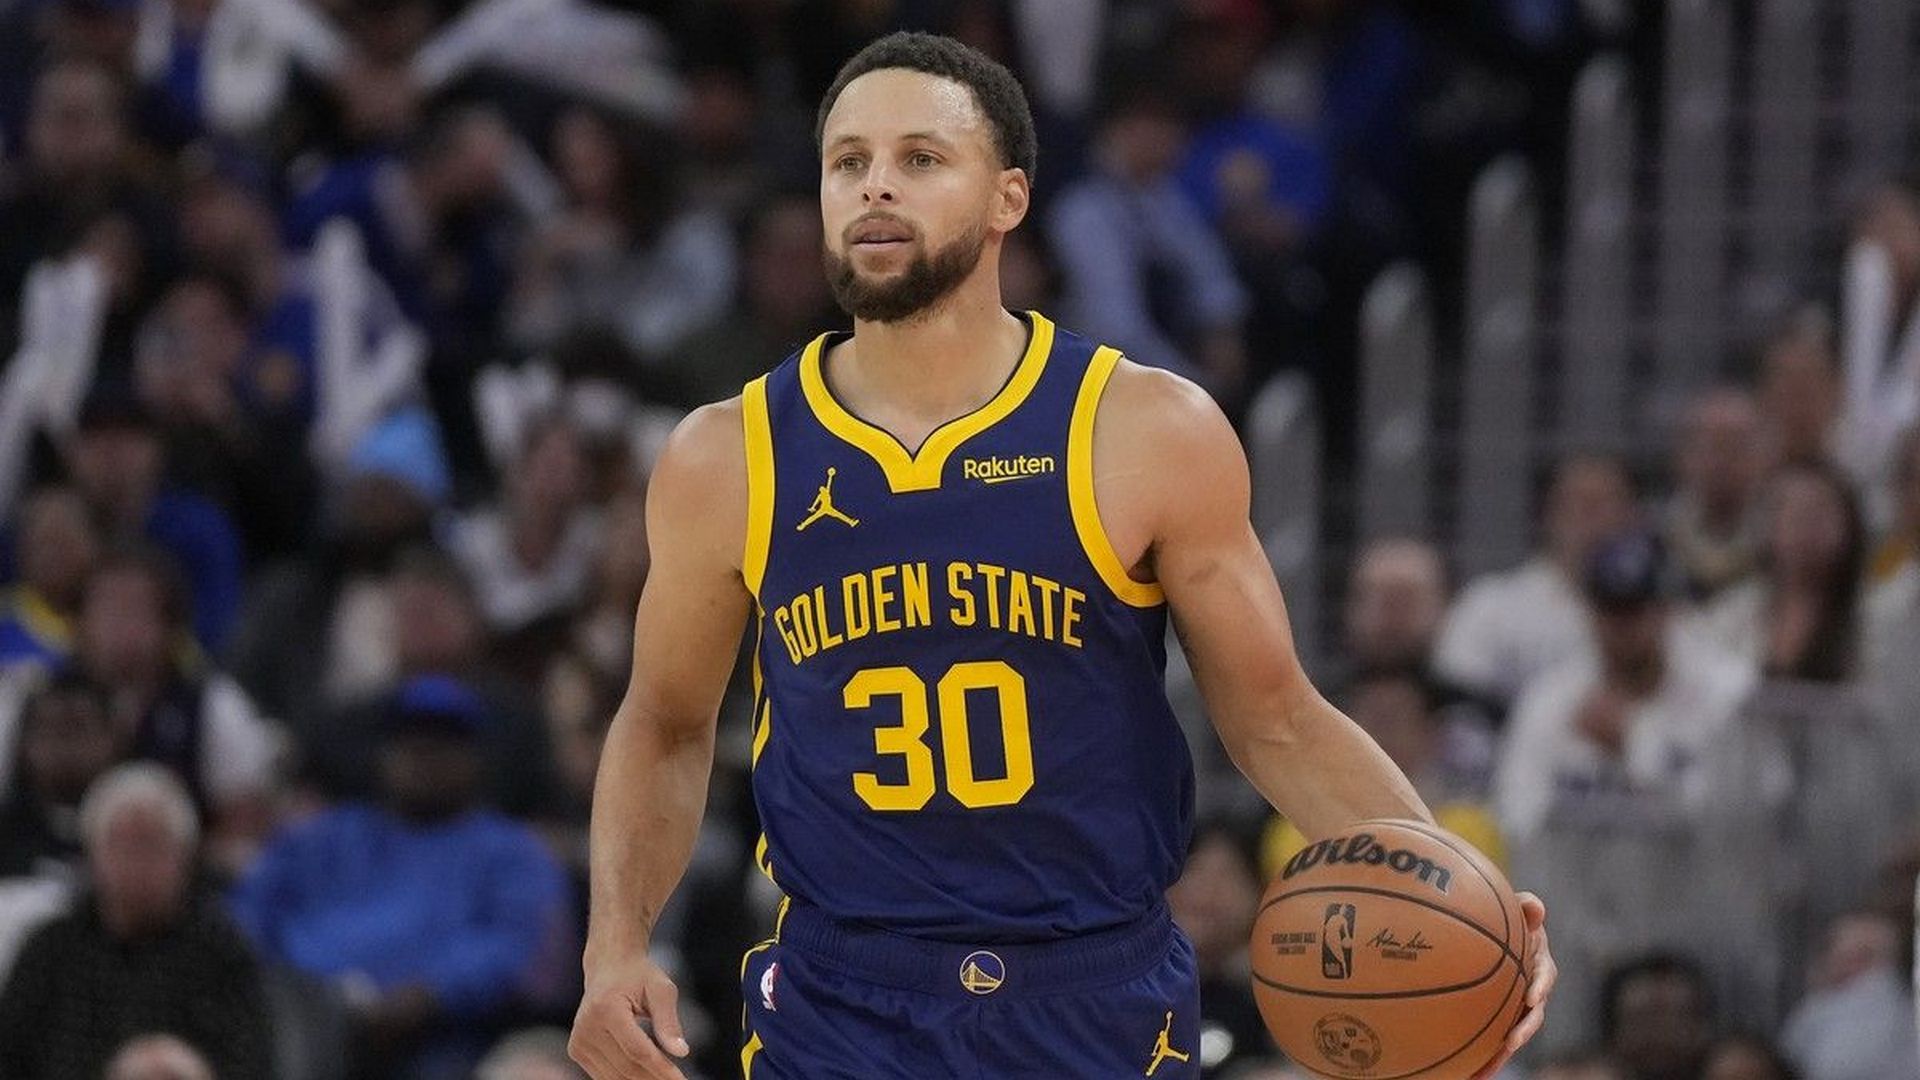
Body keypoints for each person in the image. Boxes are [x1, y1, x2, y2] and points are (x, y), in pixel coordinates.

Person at [566, 32, 1555, 1080]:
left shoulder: (1144, 427)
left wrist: (1458, 891)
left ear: (1010, 198)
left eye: (920, 158)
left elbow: (1276, 719)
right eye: (847, 162)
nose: (875, 187)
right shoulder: (728, 454)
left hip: (1094, 995)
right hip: (844, 1000)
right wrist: (614, 948)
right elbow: (665, 724)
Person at [0, 763, 272, 1080]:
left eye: (152, 844)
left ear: (185, 856)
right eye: (122, 844)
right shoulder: (51, 950)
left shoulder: (221, 953)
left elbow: (251, 1063)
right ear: (93, 853)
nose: (136, 863)